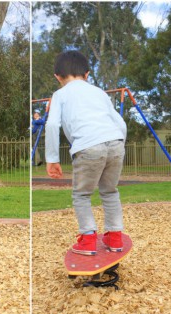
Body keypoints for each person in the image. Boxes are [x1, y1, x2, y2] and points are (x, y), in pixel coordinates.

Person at [44, 50, 127, 255]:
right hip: (115, 142)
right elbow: (120, 122)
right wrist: (119, 144)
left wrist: (52, 159)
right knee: (110, 191)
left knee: (82, 194)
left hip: (88, 146)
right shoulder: (99, 92)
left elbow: (52, 125)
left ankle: (88, 239)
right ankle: (115, 237)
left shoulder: (60, 94)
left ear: (58, 76)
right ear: (87, 74)